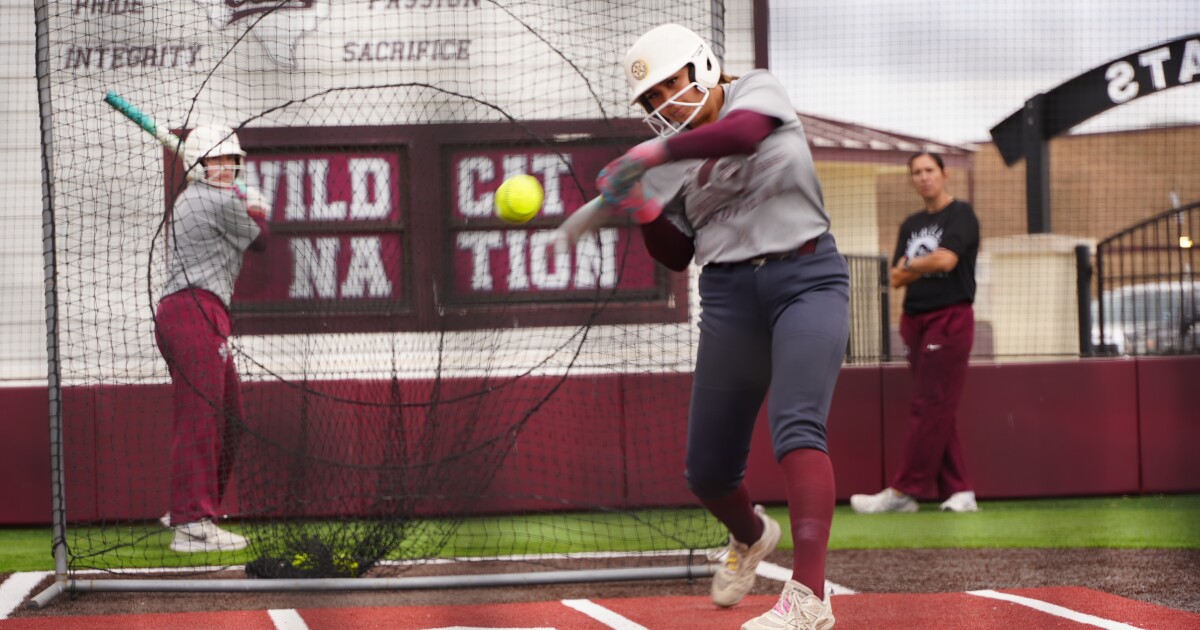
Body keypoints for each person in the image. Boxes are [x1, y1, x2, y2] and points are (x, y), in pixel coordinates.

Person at [596, 23, 848, 630]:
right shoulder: (667, 158)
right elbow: (677, 253)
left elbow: (745, 135)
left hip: (806, 276)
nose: (663, 106)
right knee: (707, 472)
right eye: (650, 101)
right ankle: (752, 534)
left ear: (702, 67)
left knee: (797, 427)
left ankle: (810, 600)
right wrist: (640, 204)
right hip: (730, 293)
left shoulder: (754, 92)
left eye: (669, 86)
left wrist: (652, 156)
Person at [155, 124, 269, 552]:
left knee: (230, 417)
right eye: (218, 160)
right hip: (194, 312)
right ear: (201, 163)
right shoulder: (216, 200)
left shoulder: (201, 197)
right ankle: (191, 522)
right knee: (201, 418)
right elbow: (262, 242)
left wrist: (247, 204)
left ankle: (192, 505)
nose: (227, 168)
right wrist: (257, 209)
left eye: (231, 161)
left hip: (195, 312)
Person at [849, 152, 980, 515]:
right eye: (916, 173)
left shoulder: (961, 214)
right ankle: (960, 490)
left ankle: (904, 490)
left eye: (929, 171)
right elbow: (893, 276)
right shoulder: (911, 223)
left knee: (930, 404)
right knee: (936, 405)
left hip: (949, 318)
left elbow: (947, 260)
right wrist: (917, 265)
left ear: (944, 174)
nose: (923, 178)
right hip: (913, 320)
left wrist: (912, 266)